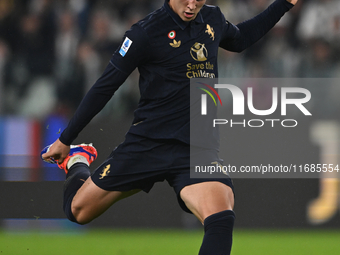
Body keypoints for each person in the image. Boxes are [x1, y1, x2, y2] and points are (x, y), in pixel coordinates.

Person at [42, 0, 298, 254]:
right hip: (147, 143)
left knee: (221, 216)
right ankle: (78, 160)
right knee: (78, 211)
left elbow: (241, 39)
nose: (191, 5)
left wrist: (283, 4)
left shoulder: (212, 19)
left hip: (196, 148)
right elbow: (105, 86)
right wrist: (66, 138)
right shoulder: (144, 32)